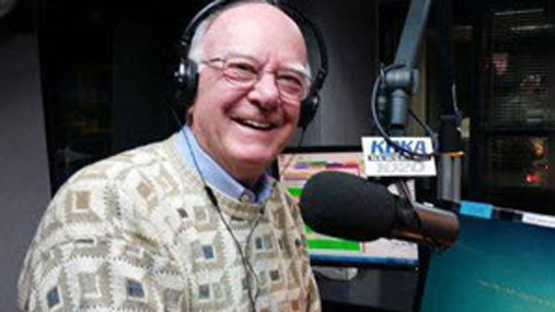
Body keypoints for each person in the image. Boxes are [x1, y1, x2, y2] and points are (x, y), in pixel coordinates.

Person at [18, 1, 323, 311]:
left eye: (289, 80)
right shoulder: (106, 204)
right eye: (241, 69)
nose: (268, 95)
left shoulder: (281, 205)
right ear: (188, 84)